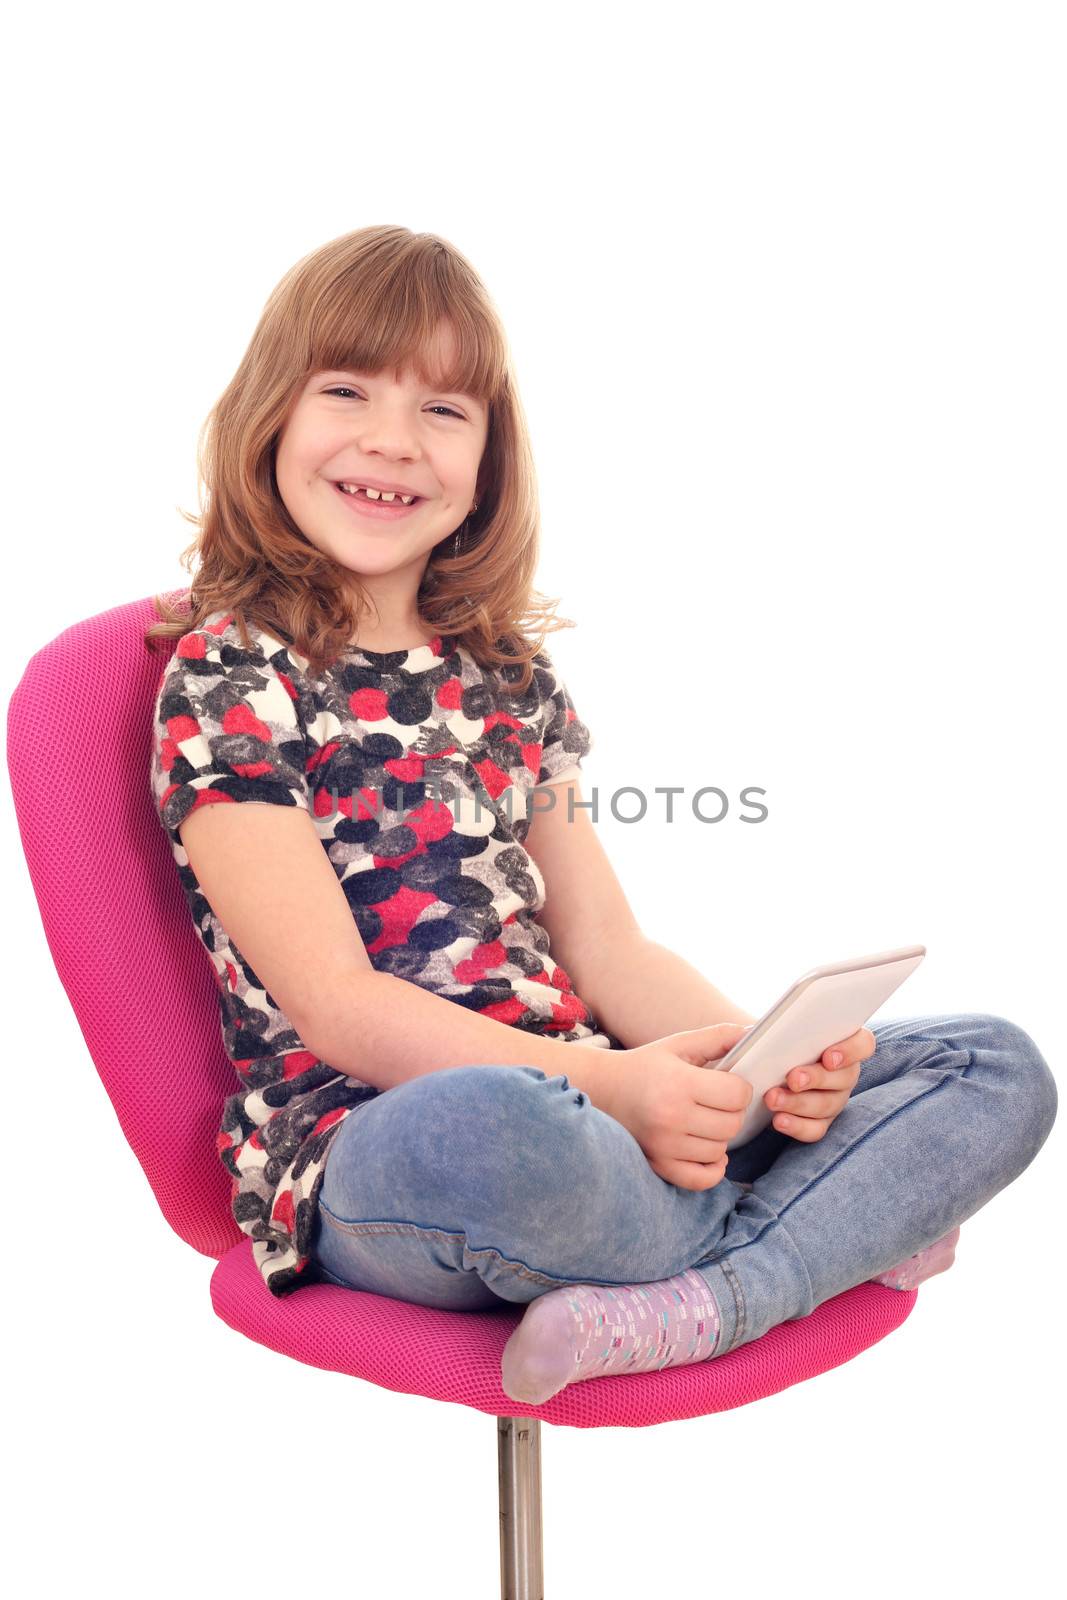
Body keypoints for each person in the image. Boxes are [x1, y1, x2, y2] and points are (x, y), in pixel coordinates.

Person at [148, 225, 1058, 1406]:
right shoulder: (230, 675)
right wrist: (616, 1098)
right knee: (501, 1126)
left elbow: (606, 948)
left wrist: (756, 1072)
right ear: (271, 412)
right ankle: (825, 1235)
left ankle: (705, 1290)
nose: (389, 438)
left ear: (489, 456)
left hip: (597, 1107)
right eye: (345, 389)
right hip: (399, 1147)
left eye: (443, 411)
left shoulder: (505, 676)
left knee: (991, 1064)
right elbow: (339, 1009)